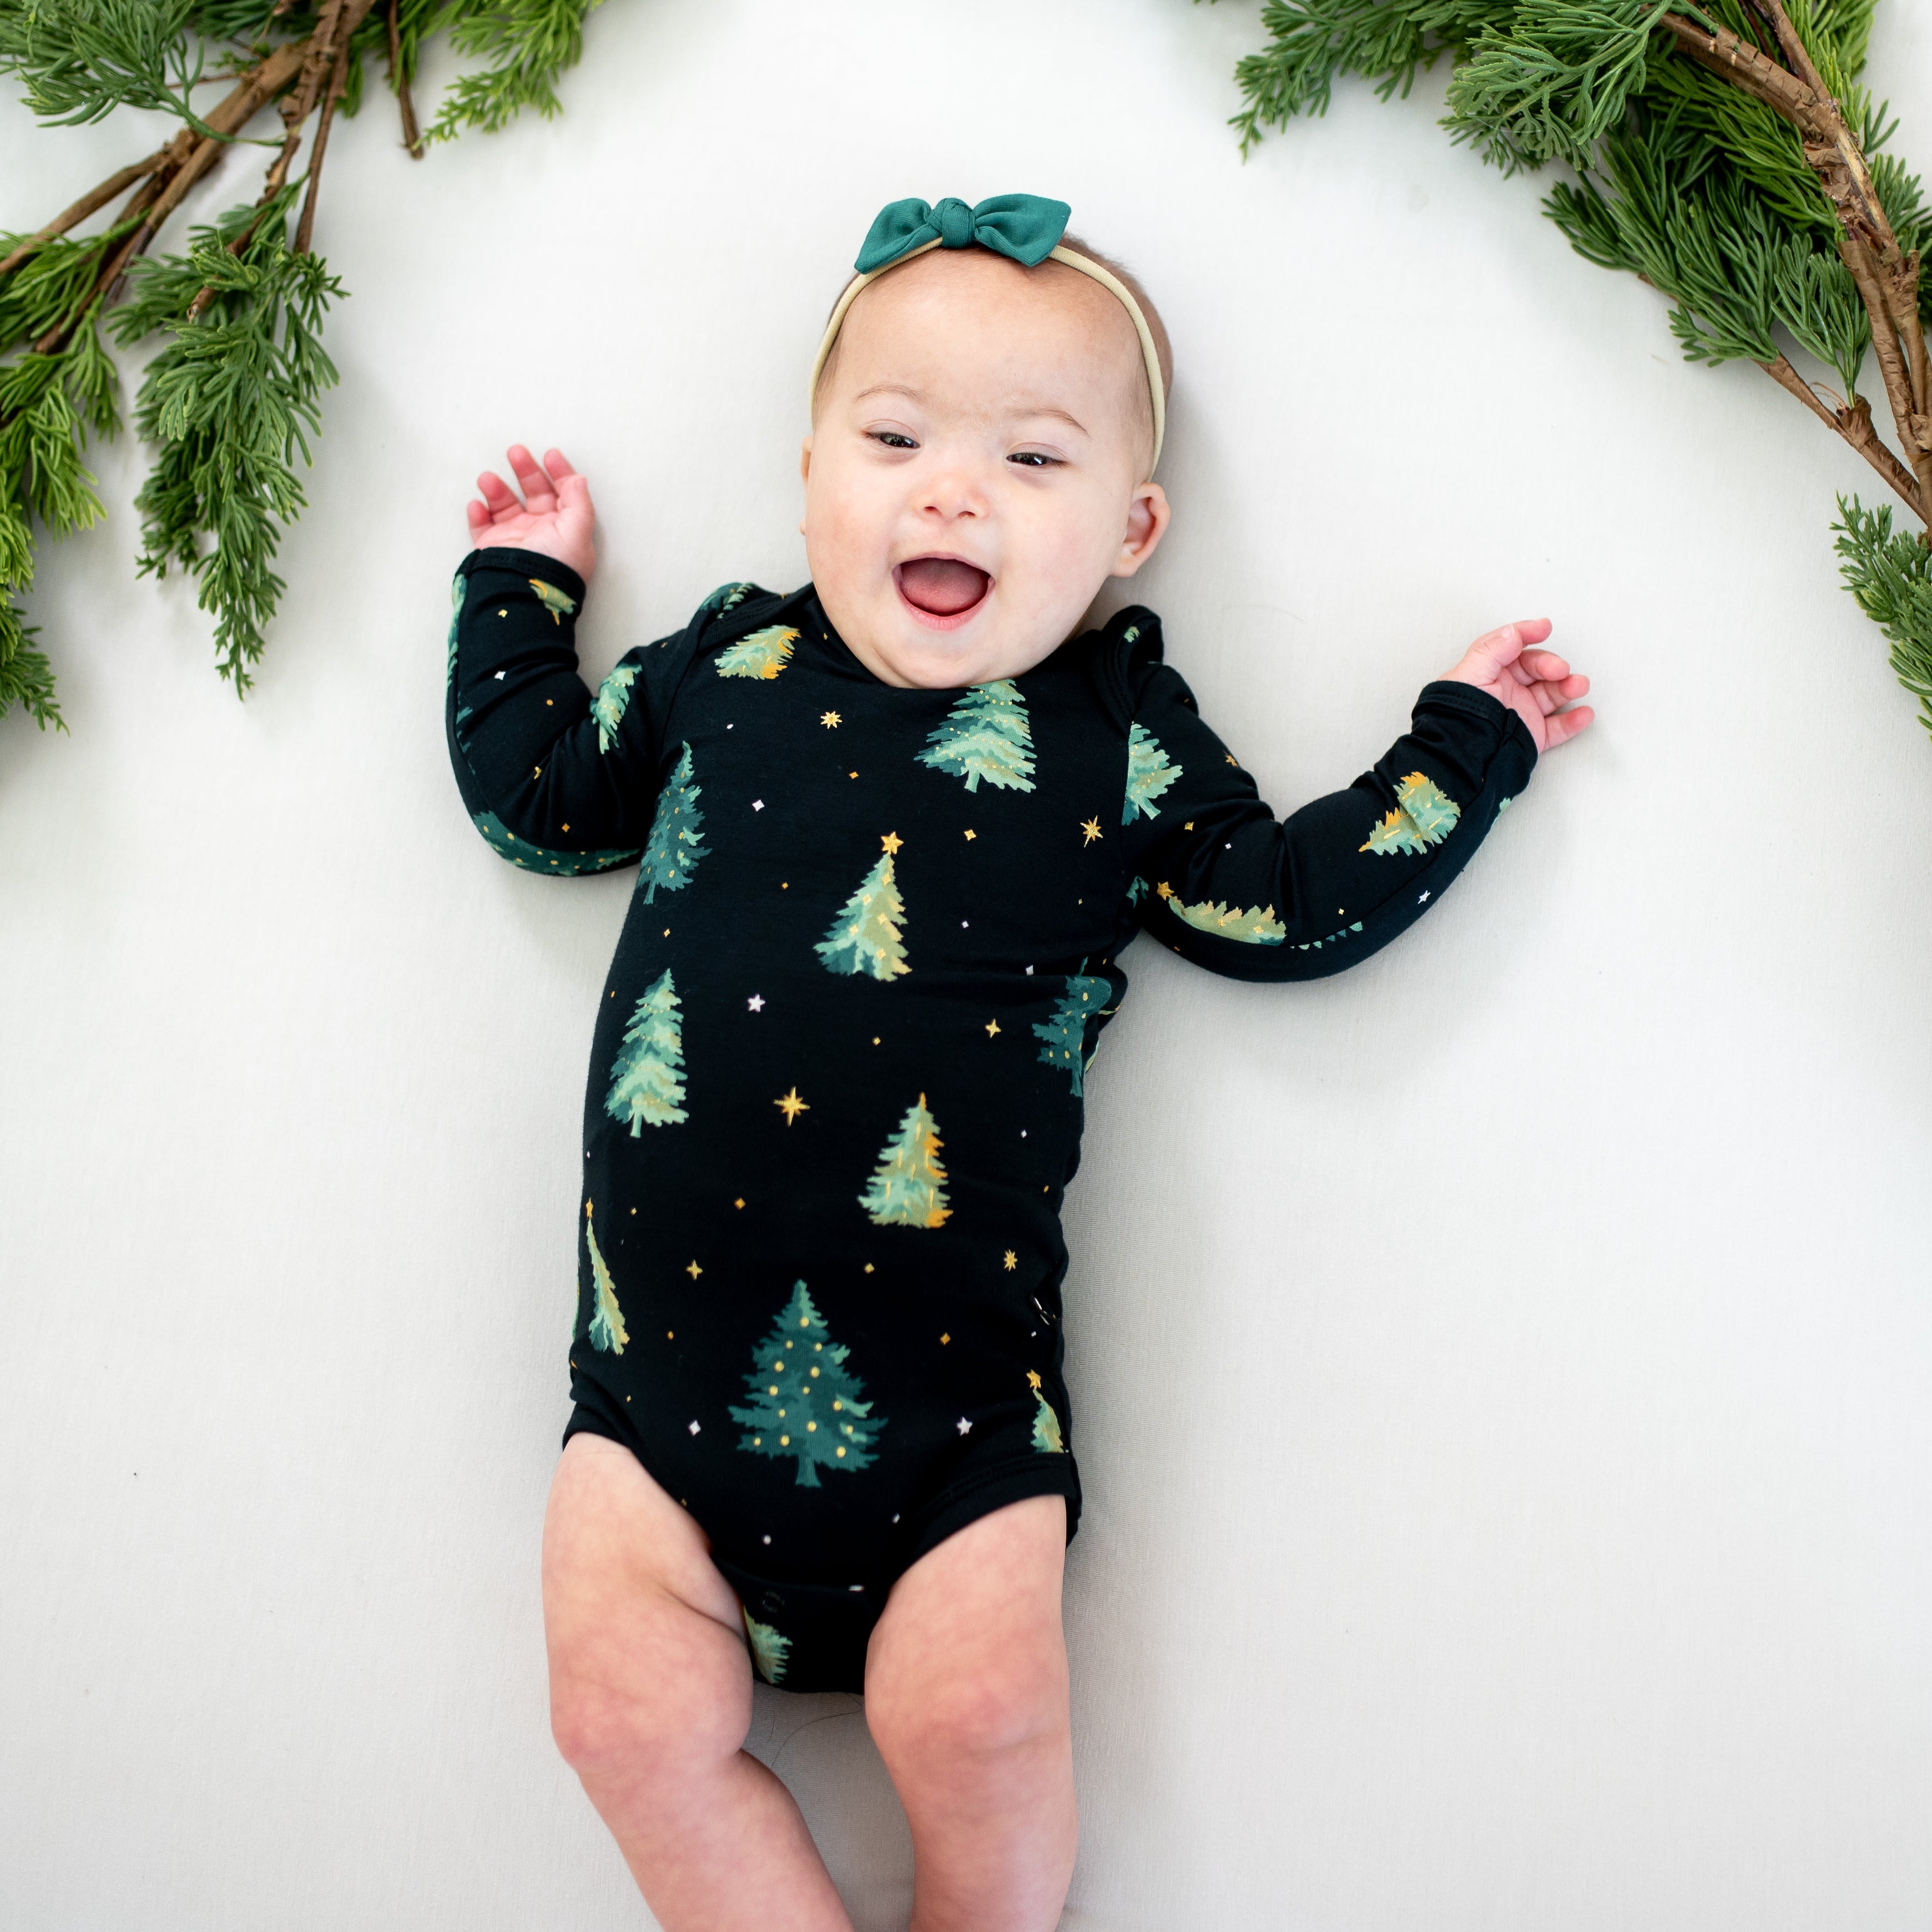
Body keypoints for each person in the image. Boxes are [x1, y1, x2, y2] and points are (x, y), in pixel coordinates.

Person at [446, 194, 1592, 1932]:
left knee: (977, 1720)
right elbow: (542, 806)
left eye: (1028, 461)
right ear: (811, 468)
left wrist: (1461, 742)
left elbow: (1276, 904)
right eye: (892, 436)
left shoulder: (1114, 733)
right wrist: (520, 593)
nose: (946, 488)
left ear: (1131, 527)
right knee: (618, 1720)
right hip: (650, 1416)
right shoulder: (726, 663)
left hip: (954, 1439)